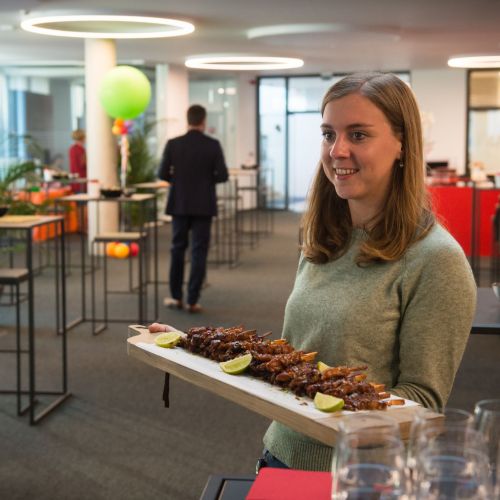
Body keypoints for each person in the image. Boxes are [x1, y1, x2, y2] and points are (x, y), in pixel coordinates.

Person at [150, 72, 476, 471]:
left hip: (359, 477)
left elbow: (421, 404)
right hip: (280, 452)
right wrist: (193, 346)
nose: (337, 150)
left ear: (402, 144)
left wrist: (334, 414)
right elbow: (292, 358)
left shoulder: (436, 259)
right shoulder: (323, 239)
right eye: (328, 134)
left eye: (358, 135)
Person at [158, 104, 229, 313]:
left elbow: (162, 173)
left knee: (177, 249)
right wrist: (206, 180)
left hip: (179, 203)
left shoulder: (173, 144)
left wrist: (178, 179)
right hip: (203, 204)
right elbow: (223, 175)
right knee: (199, 251)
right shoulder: (213, 145)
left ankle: (176, 296)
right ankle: (192, 300)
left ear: (187, 120)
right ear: (203, 121)